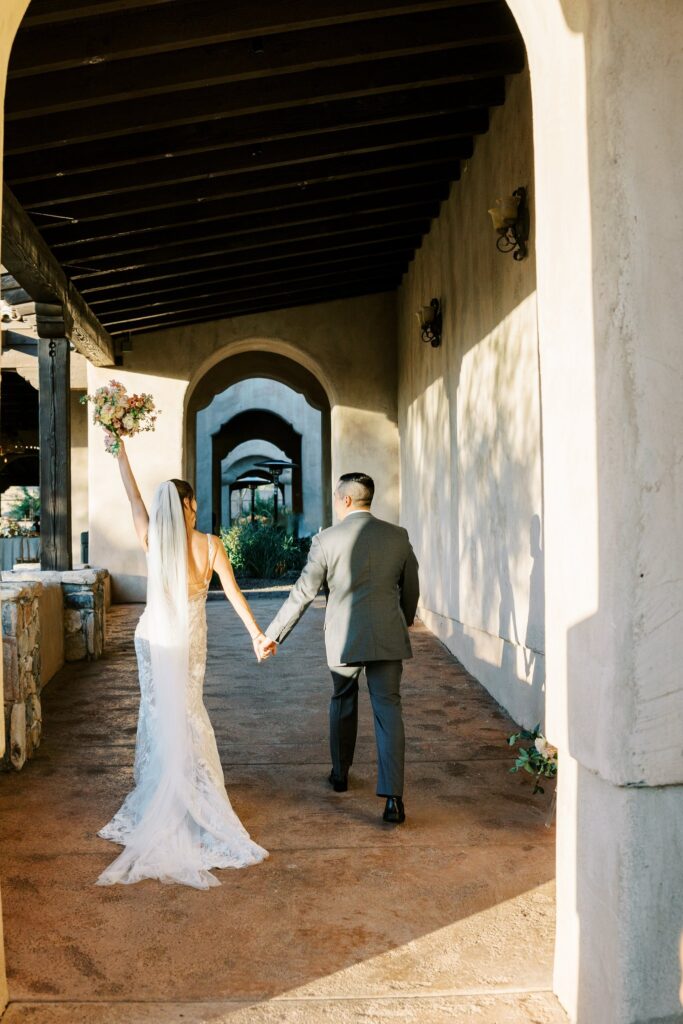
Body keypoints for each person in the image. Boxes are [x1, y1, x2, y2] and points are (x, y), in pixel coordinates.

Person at [96, 437, 274, 889]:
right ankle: (189, 799)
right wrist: (257, 634)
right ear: (190, 504)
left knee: (158, 711)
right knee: (189, 711)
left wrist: (120, 452)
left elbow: (133, 497)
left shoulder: (152, 538)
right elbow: (235, 596)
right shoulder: (211, 545)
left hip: (153, 637)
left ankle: (161, 797)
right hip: (188, 638)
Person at [261, 472, 419, 824]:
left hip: (344, 638)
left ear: (346, 500)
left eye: (336, 497)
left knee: (343, 700)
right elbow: (410, 588)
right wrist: (403, 620)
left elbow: (303, 592)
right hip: (387, 636)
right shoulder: (398, 536)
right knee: (388, 710)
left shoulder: (326, 540)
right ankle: (394, 799)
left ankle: (340, 774)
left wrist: (273, 634)